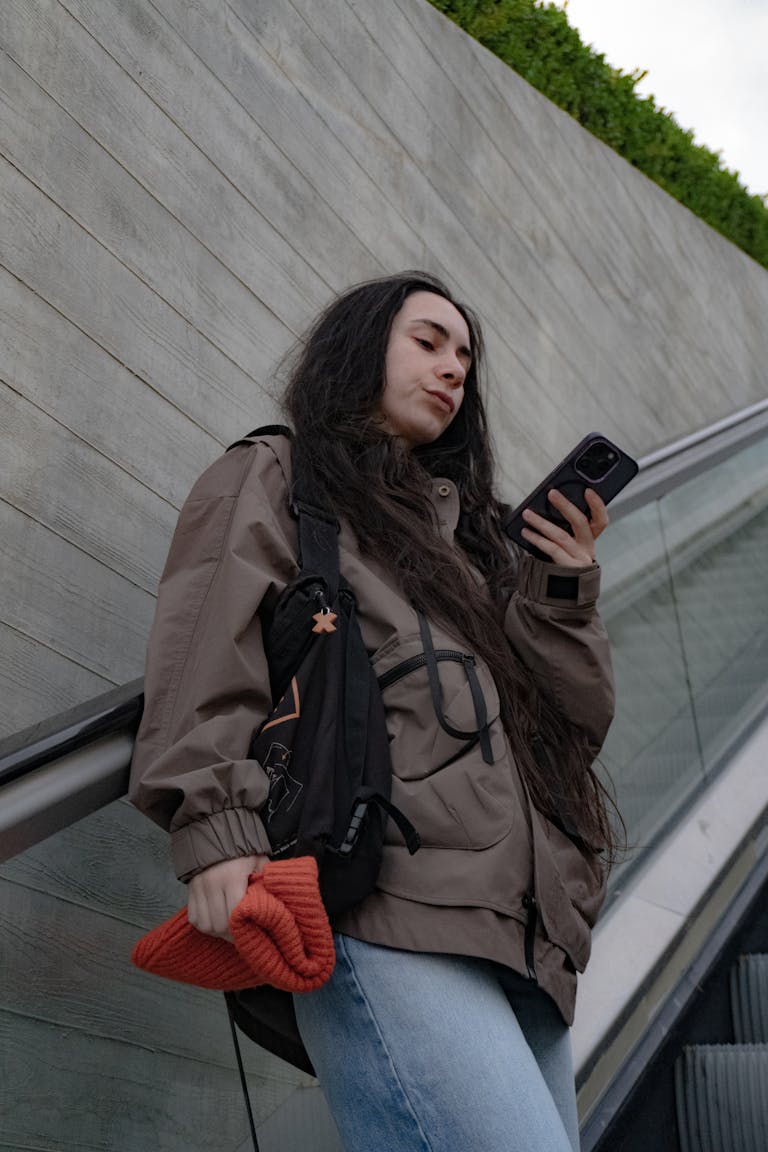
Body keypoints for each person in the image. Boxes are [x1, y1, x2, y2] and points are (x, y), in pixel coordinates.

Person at [130, 271, 617, 1152]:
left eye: (464, 356)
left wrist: (559, 593)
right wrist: (216, 826)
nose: (452, 370)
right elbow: (207, 642)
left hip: (524, 934)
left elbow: (574, 725)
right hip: (378, 896)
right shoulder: (280, 474)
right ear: (359, 351)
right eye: (427, 341)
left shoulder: (476, 542)